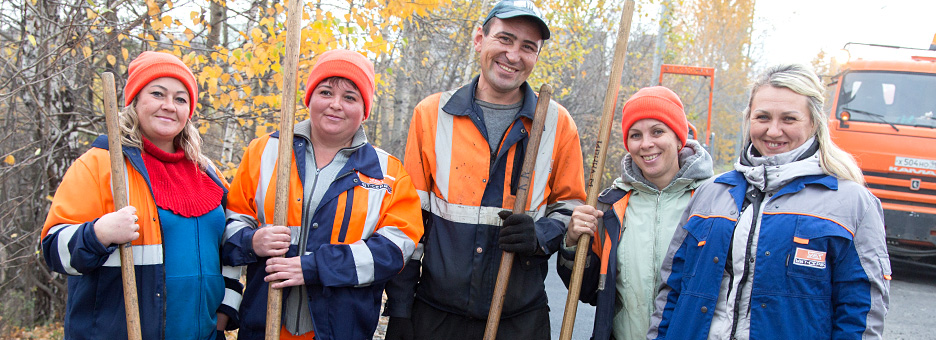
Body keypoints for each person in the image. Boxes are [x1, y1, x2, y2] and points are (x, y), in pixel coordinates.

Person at [383, 1, 587, 339]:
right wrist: (401, 308)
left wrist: (541, 235)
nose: (514, 54)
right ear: (480, 39)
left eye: (528, 47)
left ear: (536, 56)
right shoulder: (432, 115)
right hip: (437, 316)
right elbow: (408, 219)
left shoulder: (556, 124)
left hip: (520, 320)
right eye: (505, 39)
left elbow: (573, 208)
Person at [647, 64, 891, 339]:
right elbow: (672, 289)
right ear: (749, 119)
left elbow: (862, 310)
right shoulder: (711, 192)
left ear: (814, 122)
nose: (773, 131)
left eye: (789, 119)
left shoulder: (851, 203)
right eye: (762, 117)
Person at [221, 49, 424, 340]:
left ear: (364, 109)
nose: (335, 105)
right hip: (265, 323)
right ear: (310, 98)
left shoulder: (387, 172)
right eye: (326, 92)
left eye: (350, 97)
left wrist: (317, 267)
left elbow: (394, 250)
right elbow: (230, 225)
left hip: (341, 328)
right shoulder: (266, 151)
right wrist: (252, 240)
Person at [41, 51, 241, 339]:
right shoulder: (101, 164)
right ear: (134, 101)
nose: (169, 106)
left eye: (180, 99)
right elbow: (54, 251)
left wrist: (224, 312)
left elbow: (232, 251)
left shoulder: (207, 172)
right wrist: (98, 234)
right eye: (157, 94)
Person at [557, 86, 714, 340]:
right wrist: (573, 243)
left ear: (679, 137)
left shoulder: (713, 201)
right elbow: (586, 291)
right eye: (635, 135)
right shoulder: (611, 206)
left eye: (658, 131)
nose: (646, 144)